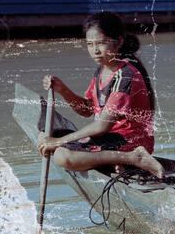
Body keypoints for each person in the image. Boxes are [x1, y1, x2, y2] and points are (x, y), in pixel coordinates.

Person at [37, 12, 164, 179]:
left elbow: (101, 126)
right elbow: (88, 110)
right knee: (43, 135)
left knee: (62, 155)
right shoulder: (101, 70)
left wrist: (59, 142)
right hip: (110, 139)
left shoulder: (125, 75)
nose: (95, 50)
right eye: (90, 44)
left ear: (119, 42)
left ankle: (134, 158)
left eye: (101, 43)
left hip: (130, 142)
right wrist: (63, 90)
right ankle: (112, 161)